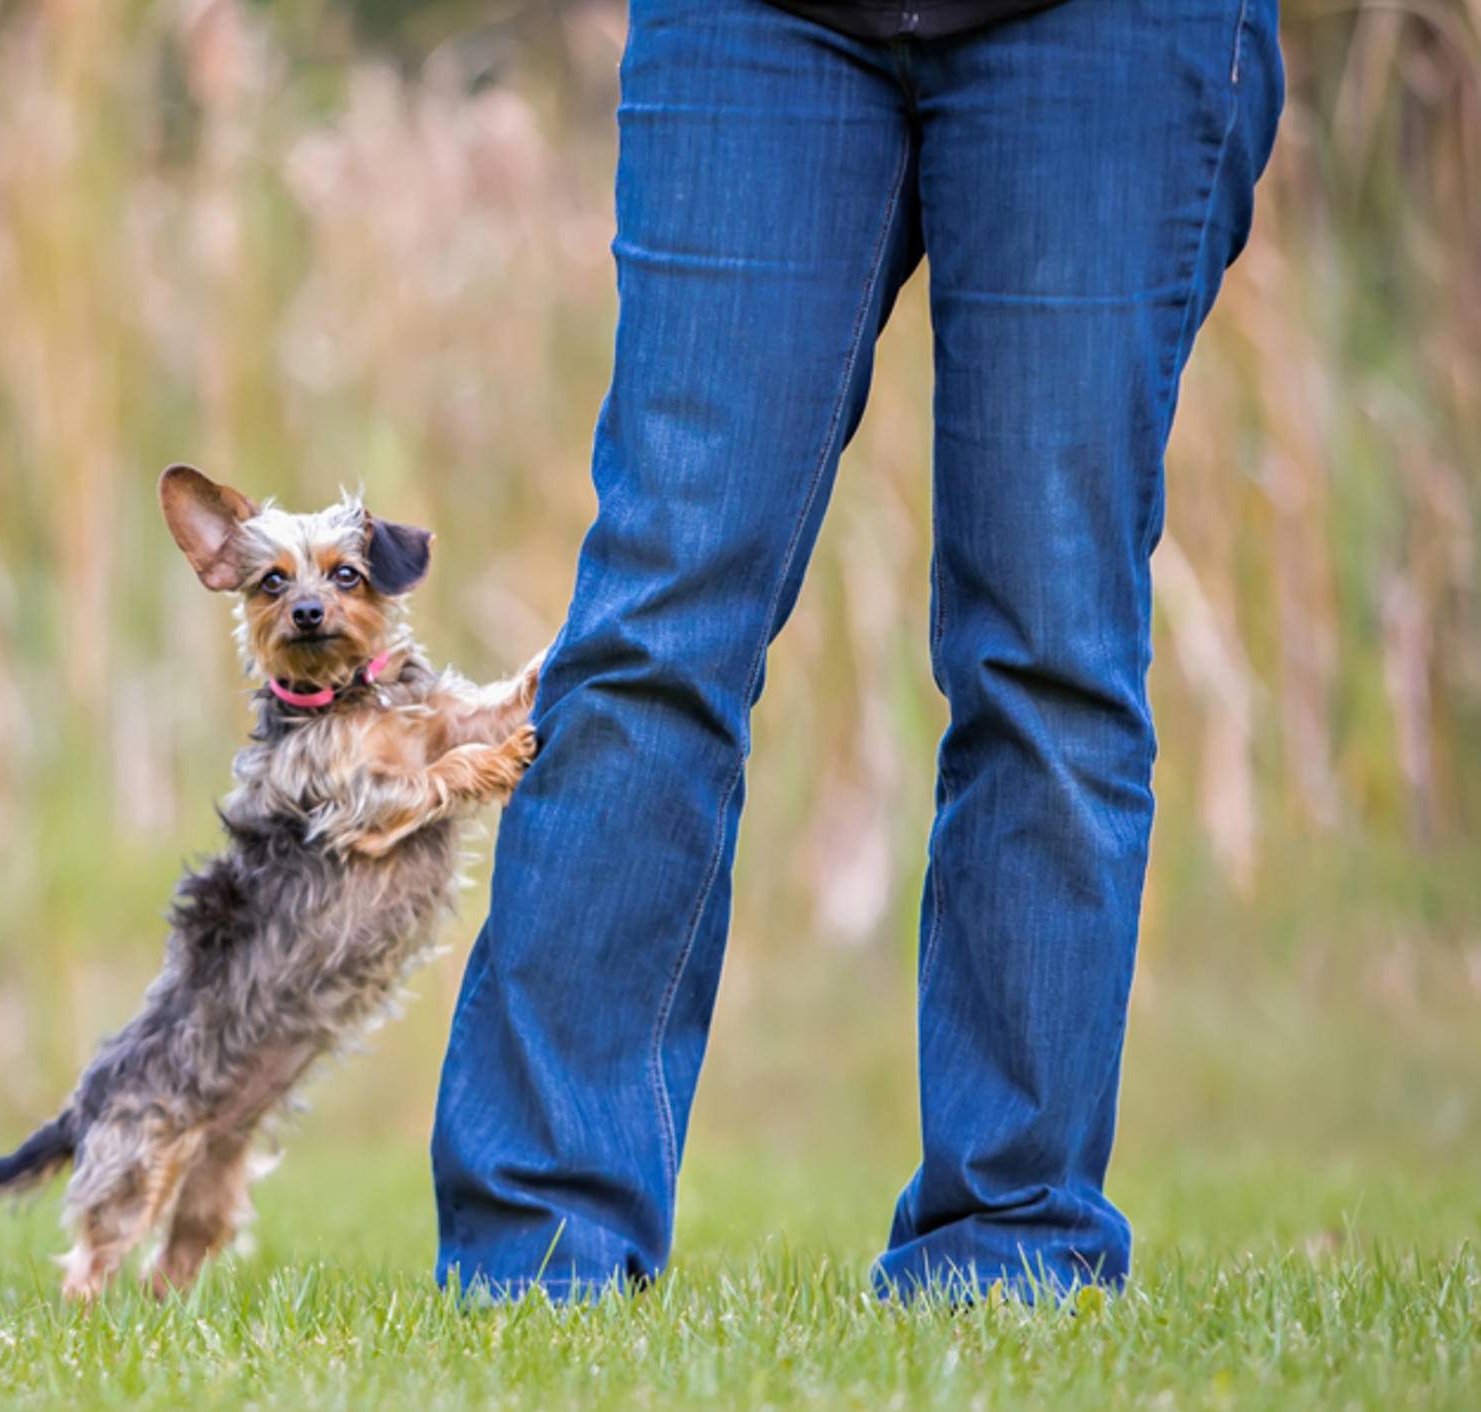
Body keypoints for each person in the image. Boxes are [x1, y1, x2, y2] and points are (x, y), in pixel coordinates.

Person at [430, 0, 1284, 1300]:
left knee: (1048, 640)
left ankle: (1010, 1260)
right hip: (765, 21)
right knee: (660, 610)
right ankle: (535, 1261)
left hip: (1107, 33)